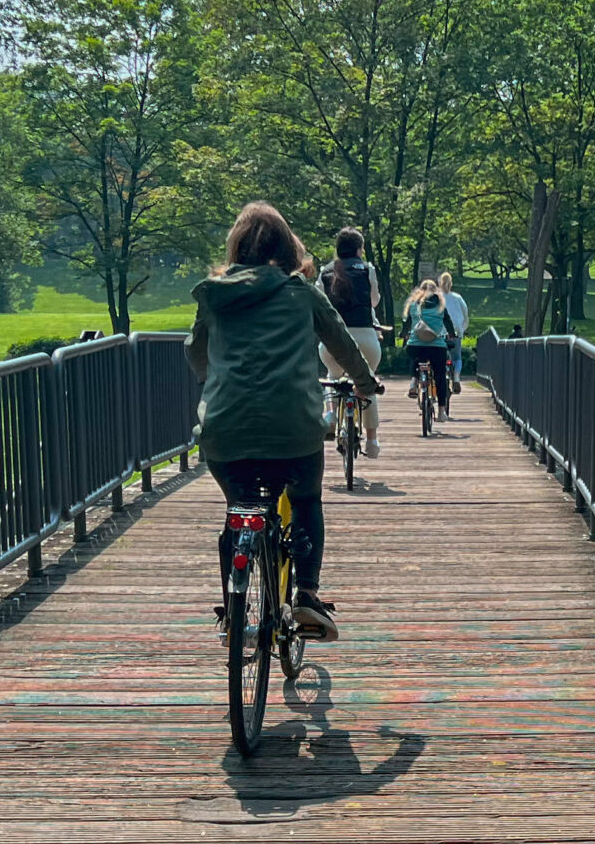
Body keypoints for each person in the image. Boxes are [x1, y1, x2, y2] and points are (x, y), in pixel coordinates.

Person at [188, 202, 381, 640]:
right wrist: (366, 385)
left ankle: (233, 614)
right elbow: (343, 346)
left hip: (225, 428)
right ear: (287, 247)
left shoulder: (215, 295)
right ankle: (307, 595)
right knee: (306, 499)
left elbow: (197, 354)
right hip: (293, 428)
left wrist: (216, 375)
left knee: (238, 508)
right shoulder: (302, 292)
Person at [316, 227, 384, 458]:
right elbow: (374, 301)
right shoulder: (367, 270)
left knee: (333, 376)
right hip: (366, 338)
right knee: (367, 381)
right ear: (358, 249)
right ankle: (372, 442)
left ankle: (330, 415)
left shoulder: (326, 271)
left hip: (333, 339)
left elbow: (319, 304)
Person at [401, 278, 457, 421]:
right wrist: (452, 335)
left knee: (415, 355)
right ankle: (442, 412)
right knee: (440, 375)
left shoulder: (413, 305)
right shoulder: (440, 306)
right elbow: (448, 323)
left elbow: (406, 324)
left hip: (416, 344)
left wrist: (403, 334)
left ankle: (414, 381)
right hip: (436, 346)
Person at [437, 271, 469, 408]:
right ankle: (456, 377)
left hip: (438, 333)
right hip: (455, 333)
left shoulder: (436, 297)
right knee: (456, 358)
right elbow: (465, 315)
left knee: (438, 357)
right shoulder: (458, 298)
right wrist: (462, 329)